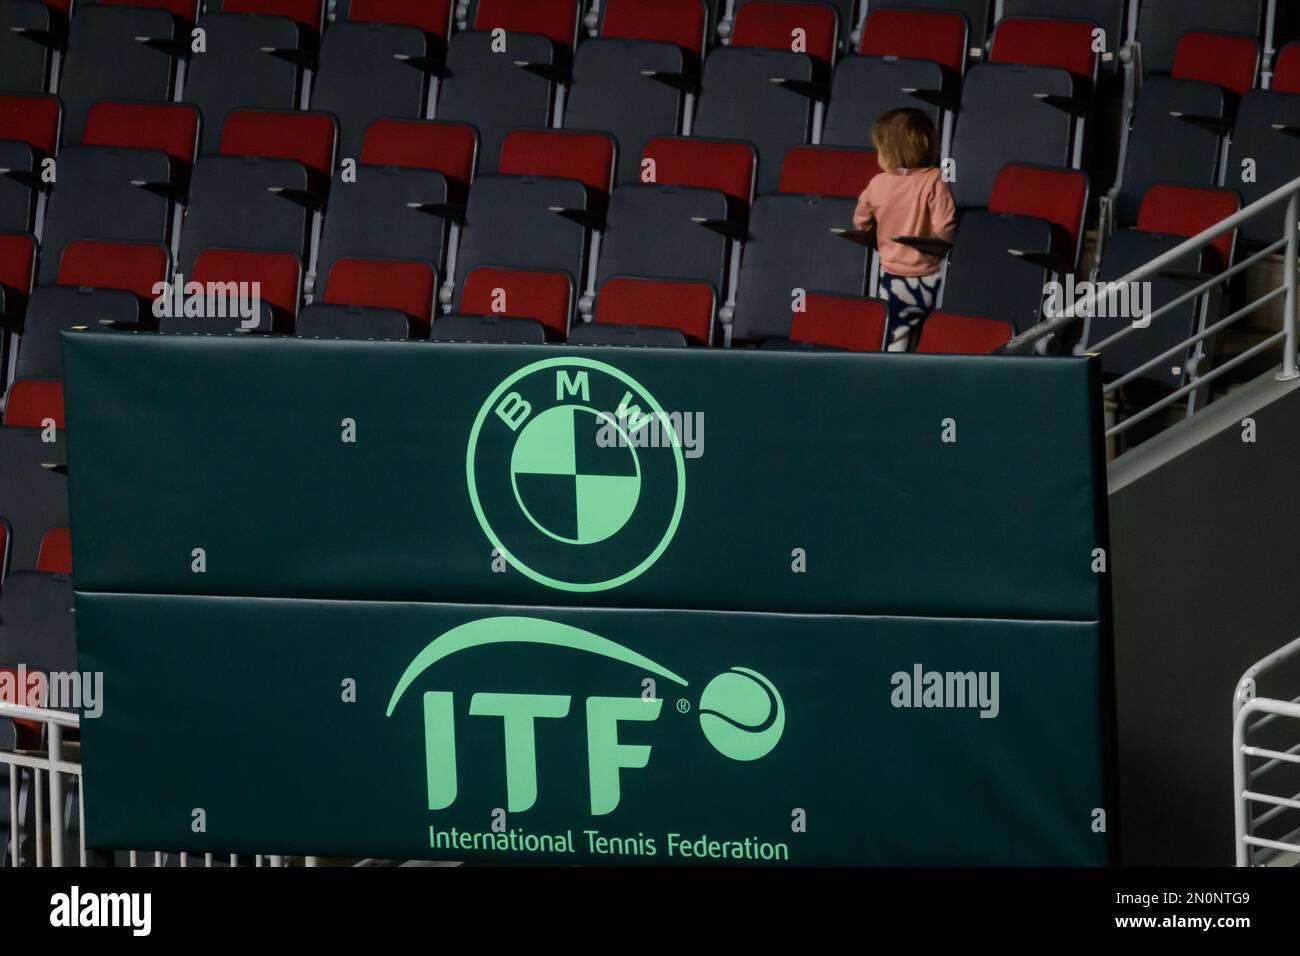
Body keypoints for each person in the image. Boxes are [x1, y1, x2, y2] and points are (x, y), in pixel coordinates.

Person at [852, 108, 956, 351]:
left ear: (888, 153)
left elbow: (861, 222)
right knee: (927, 331)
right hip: (930, 276)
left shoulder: (877, 183)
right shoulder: (935, 180)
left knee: (896, 334)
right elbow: (945, 227)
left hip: (891, 276)